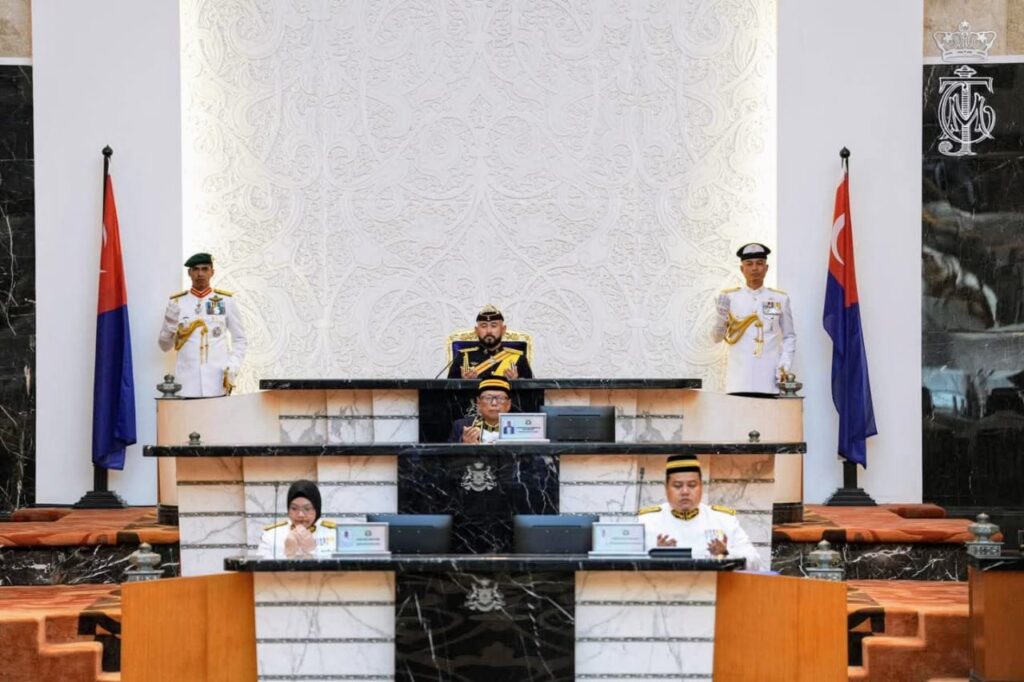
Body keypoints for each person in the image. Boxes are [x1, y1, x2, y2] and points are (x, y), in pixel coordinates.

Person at [639, 455, 761, 569]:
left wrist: (727, 553)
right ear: (666, 487)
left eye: (692, 485)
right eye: (677, 486)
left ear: (701, 487)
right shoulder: (646, 521)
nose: (685, 491)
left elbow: (755, 562)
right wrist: (655, 555)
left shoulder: (724, 520)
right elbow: (627, 565)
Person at [158, 253, 247, 397]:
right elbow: (164, 346)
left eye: (205, 269)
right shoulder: (177, 302)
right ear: (189, 273)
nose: (200, 274)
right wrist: (170, 324)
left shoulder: (225, 301)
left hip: (217, 382)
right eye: (195, 269)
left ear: (212, 272)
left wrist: (233, 366)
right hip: (186, 385)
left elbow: (240, 339)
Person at [712, 243, 796, 396]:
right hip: (739, 379)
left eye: (759, 263)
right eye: (749, 264)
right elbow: (717, 338)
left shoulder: (779, 299)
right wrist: (720, 317)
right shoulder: (730, 298)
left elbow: (789, 336)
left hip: (768, 378)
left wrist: (784, 364)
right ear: (742, 269)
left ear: (766, 268)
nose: (755, 268)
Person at [447, 305, 532, 379]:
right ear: (476, 330)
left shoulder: (518, 358)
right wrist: (463, 384)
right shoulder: (463, 357)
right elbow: (448, 392)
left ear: (503, 329)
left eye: (494, 325)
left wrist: (516, 383)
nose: (489, 331)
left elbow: (531, 394)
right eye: (483, 326)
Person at [259, 480, 337, 558]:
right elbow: (259, 568)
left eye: (307, 509)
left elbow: (342, 567)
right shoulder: (272, 534)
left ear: (317, 509)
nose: (300, 515)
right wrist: (288, 553)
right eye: (294, 508)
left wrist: (312, 551)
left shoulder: (334, 533)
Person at [448, 378, 513, 443]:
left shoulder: (520, 427)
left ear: (508, 404)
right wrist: (464, 446)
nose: (494, 403)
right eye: (488, 398)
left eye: (500, 398)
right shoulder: (461, 426)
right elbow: (447, 452)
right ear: (479, 403)